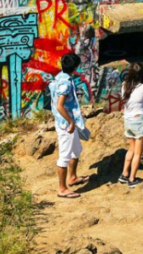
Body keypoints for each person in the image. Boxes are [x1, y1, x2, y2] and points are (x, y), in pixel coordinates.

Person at [51, 54, 88, 198]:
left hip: (66, 121)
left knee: (76, 150)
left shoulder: (60, 77)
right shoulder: (65, 82)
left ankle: (72, 177)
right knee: (64, 156)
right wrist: (71, 122)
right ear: (75, 67)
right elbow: (60, 106)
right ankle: (62, 189)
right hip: (66, 124)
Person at [119, 63, 143, 188]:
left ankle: (124, 174)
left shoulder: (124, 86)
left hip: (127, 120)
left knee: (131, 149)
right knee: (138, 153)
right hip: (139, 121)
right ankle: (132, 179)